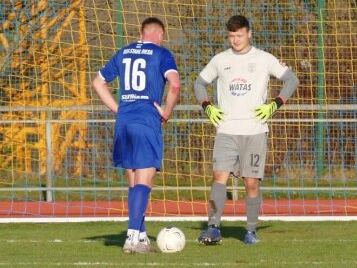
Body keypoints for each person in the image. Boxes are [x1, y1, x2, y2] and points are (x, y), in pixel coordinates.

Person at [194, 15, 299, 245]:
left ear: (249, 33)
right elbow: (199, 84)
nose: (235, 40)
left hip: (254, 131)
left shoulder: (264, 58)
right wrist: (207, 107)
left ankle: (251, 230)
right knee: (219, 176)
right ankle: (213, 227)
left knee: (251, 182)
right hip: (226, 130)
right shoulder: (220, 60)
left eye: (239, 35)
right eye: (231, 36)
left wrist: (275, 104)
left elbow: (292, 80)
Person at [92, 17, 180, 254]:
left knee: (133, 180)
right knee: (145, 178)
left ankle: (140, 236)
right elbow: (174, 85)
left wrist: (117, 109)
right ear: (160, 34)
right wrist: (167, 112)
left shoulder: (123, 53)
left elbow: (98, 82)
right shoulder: (162, 54)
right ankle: (132, 237)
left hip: (124, 122)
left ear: (141, 33)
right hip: (146, 121)